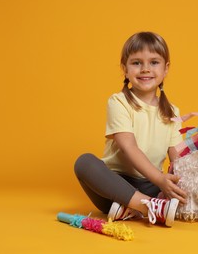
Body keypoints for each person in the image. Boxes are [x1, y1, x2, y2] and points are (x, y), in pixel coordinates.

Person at [74, 31, 187, 227]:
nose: (145, 69)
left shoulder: (172, 111)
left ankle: (132, 208)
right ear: (125, 69)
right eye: (136, 63)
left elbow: (178, 156)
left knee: (183, 179)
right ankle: (149, 207)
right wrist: (160, 179)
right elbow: (128, 147)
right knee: (84, 163)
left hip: (153, 185)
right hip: (115, 185)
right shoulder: (119, 102)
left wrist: (185, 180)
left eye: (154, 62)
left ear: (166, 68)